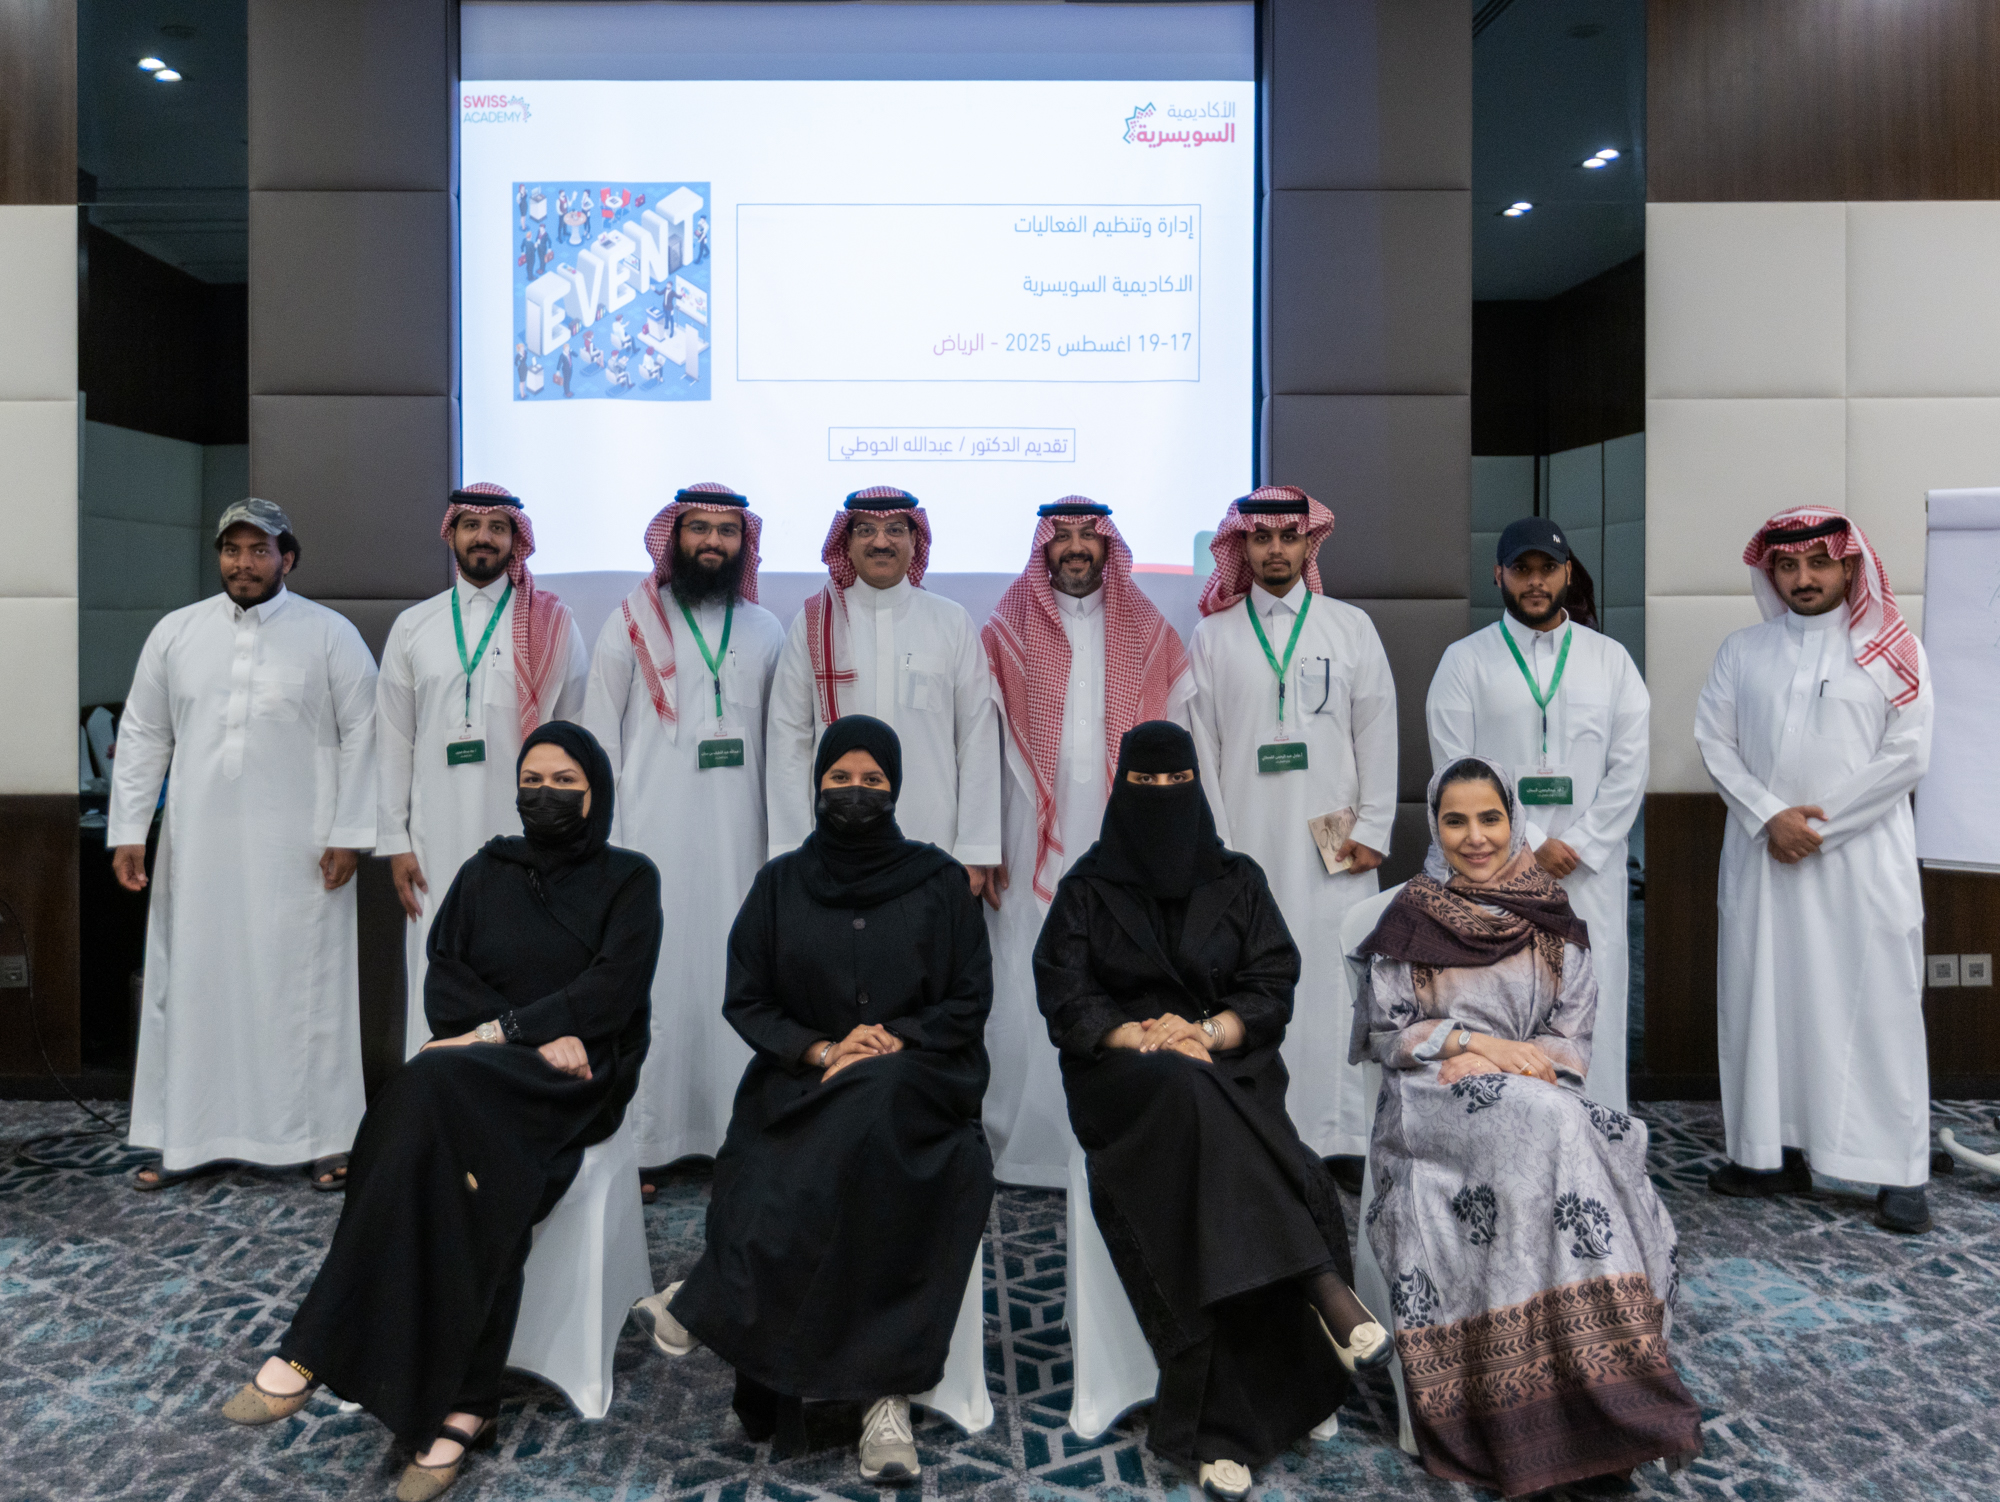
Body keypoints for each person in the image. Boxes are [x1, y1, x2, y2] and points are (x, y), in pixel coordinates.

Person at [220, 722, 660, 1502]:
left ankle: (310, 1348)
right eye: (533, 781)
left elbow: (612, 991)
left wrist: (511, 1032)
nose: (546, 795)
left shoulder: (629, 878)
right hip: (487, 1070)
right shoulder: (486, 870)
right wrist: (520, 1033)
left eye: (565, 782)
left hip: (578, 1074)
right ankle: (466, 1404)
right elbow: (445, 980)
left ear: (596, 794)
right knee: (472, 1168)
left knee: (426, 1080)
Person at [636, 716, 994, 1485]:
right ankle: (877, 1396)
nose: (855, 793)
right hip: (805, 1079)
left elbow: (969, 1000)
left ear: (895, 788)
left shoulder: (938, 881)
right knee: (841, 1147)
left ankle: (714, 1299)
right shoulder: (779, 885)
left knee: (881, 1102)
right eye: (840, 779)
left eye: (872, 781)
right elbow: (748, 998)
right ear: (817, 784)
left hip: (922, 1079)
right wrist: (824, 1049)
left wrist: (891, 1037)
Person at [1034, 721, 1385, 1500]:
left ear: (1197, 786)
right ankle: (1322, 1285)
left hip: (1230, 1068)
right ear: (1121, 790)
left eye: (1176, 783)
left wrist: (1207, 1032)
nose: (1162, 797)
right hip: (1123, 1082)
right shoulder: (1087, 889)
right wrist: (1139, 1035)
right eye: (1145, 784)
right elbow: (1064, 993)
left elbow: (1270, 984)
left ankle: (1223, 1429)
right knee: (1182, 1086)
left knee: (1200, 1111)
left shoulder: (1238, 879)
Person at [1351, 756, 1701, 1497]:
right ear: (1435, 828)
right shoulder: (1410, 916)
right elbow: (1387, 1033)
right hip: (1435, 1100)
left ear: (1513, 821)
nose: (1475, 837)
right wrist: (1474, 1045)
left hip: (1536, 1097)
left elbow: (1571, 1042)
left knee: (1593, 1132)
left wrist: (1507, 1063)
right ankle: (1558, 1422)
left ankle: (1594, 1416)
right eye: (1455, 821)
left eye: (1490, 818)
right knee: (1557, 1127)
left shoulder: (1553, 919)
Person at [111, 498, 378, 1191]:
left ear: (288, 557)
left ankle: (325, 1139)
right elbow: (143, 734)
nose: (244, 563)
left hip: (302, 856)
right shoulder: (176, 633)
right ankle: (186, 1140)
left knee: (305, 993)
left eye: (260, 550)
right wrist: (129, 830)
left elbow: (365, 734)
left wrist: (350, 834)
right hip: (198, 853)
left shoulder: (330, 635)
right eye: (232, 549)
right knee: (195, 986)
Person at [1694, 507, 1934, 1232]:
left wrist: (1816, 828)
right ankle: (1769, 1153)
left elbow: (1908, 755)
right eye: (1788, 566)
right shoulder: (1743, 651)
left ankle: (1897, 1170)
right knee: (1766, 1005)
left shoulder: (1895, 651)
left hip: (1861, 866)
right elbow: (1714, 741)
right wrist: (1772, 816)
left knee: (1877, 1009)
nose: (1803, 578)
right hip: (1764, 860)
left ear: (1849, 566)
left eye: (1818, 563)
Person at [980, 497, 1193, 1188]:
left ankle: (1119, 1131)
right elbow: (983, 741)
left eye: (1087, 536)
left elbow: (1176, 738)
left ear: (1107, 547)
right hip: (1028, 830)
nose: (1075, 547)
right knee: (1027, 970)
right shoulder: (1006, 628)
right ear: (1044, 548)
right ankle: (1027, 1142)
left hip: (1120, 835)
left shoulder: (1147, 630)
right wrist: (984, 837)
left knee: (1119, 967)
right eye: (1062, 536)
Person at [1187, 486, 1397, 1179]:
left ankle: (1339, 1137)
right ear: (1241, 546)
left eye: (1288, 536)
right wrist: (1216, 849)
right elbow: (1203, 750)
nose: (1275, 549)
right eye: (1261, 537)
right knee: (1250, 979)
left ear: (1310, 543)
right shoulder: (1214, 636)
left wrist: (1375, 825)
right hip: (1246, 846)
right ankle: (1259, 1130)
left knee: (1335, 983)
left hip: (1335, 848)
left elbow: (1378, 728)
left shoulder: (1349, 627)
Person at [582, 484, 784, 1195]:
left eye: (727, 531)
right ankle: (647, 1144)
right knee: (657, 985)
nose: (712, 542)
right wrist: (601, 844)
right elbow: (598, 739)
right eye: (699, 528)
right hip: (649, 839)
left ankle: (738, 1136)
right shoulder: (629, 623)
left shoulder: (765, 630)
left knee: (738, 980)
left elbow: (783, 746)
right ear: (675, 537)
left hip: (741, 843)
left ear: (743, 543)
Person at [1425, 516, 1648, 1112]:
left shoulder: (1611, 661)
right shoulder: (1464, 662)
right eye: (1521, 569)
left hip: (1589, 873)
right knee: (1504, 1002)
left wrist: (1582, 845)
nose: (1535, 581)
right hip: (1497, 872)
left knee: (1593, 1002)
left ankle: (1598, 1128)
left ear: (1567, 572)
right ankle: (1512, 1134)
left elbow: (1630, 767)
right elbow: (1456, 770)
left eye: (1547, 568)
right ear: (1498, 575)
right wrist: (1534, 842)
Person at [377, 484, 589, 1058]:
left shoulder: (553, 624)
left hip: (528, 834)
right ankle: (436, 1091)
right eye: (472, 525)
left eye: (498, 527)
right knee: (440, 960)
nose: (484, 537)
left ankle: (520, 1091)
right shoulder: (414, 626)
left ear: (516, 540)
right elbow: (393, 738)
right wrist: (396, 842)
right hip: (435, 836)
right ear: (451, 533)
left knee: (525, 960)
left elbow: (575, 734)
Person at [766, 487, 1002, 892]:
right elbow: (789, 739)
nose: (880, 541)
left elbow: (977, 738)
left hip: (934, 842)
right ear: (847, 542)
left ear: (915, 540)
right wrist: (791, 851)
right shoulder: (814, 623)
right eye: (865, 530)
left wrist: (975, 850)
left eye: (895, 529)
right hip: (832, 850)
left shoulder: (951, 622)